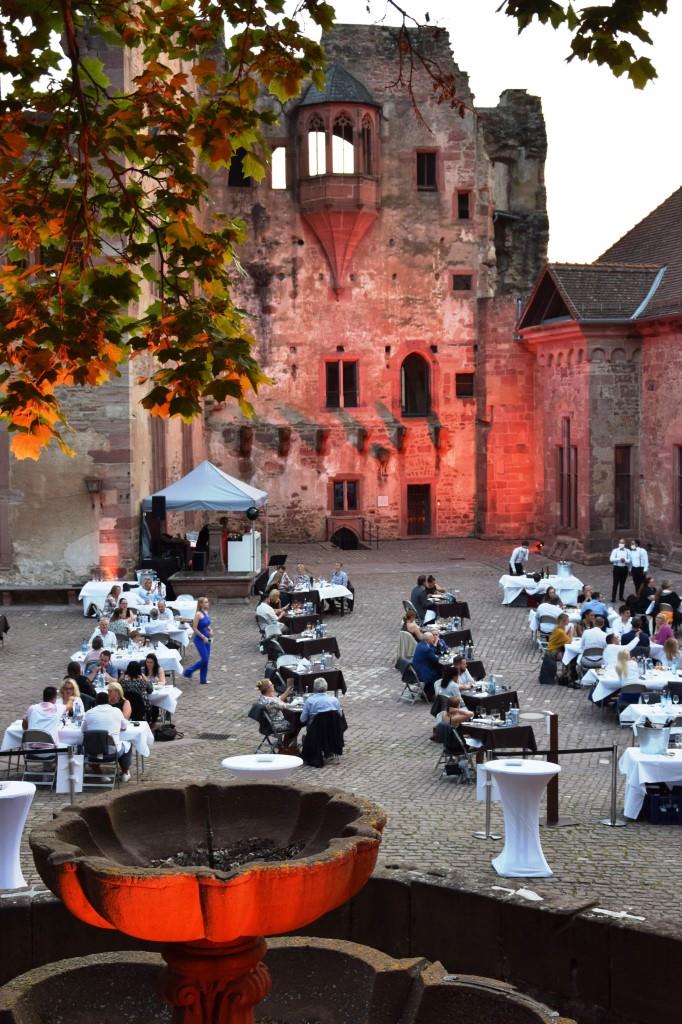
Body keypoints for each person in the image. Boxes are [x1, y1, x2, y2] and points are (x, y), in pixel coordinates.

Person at [83, 691, 132, 783]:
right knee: (127, 744)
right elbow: (124, 726)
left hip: (93, 752)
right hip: (112, 752)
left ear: (96, 702)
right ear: (108, 701)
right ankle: (125, 772)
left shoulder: (89, 713)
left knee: (85, 747)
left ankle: (99, 774)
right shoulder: (117, 711)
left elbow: (83, 730)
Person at [183, 595, 212, 685]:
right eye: (206, 602)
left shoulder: (206, 612)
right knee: (204, 658)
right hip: (200, 639)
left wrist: (210, 629)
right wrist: (203, 637)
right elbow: (194, 628)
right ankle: (188, 671)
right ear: (201, 604)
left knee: (206, 660)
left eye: (207, 602)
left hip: (207, 639)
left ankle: (203, 679)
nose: (208, 603)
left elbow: (207, 624)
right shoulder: (198, 614)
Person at [411, 632, 442, 700]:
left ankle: (427, 692)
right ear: (427, 640)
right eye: (432, 638)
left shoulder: (420, 644)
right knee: (440, 673)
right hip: (423, 673)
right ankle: (429, 695)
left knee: (437, 670)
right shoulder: (426, 649)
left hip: (417, 669)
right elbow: (436, 660)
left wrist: (434, 645)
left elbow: (431, 651)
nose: (433, 639)